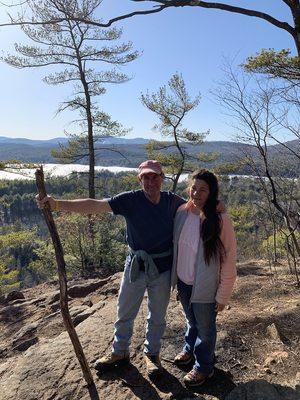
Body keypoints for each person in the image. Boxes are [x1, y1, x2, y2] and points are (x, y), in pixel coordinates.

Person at [36, 160, 185, 378]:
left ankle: (152, 355)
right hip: (135, 266)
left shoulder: (173, 202)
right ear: (139, 179)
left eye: (155, 176)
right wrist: (57, 204)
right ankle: (119, 352)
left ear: (162, 178)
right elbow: (94, 205)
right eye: (146, 177)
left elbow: (197, 208)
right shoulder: (130, 200)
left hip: (162, 269)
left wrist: (218, 208)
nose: (150, 181)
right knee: (124, 312)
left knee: (158, 316)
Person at [171, 169, 237, 387]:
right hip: (184, 283)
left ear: (212, 193)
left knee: (206, 329)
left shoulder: (220, 219)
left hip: (206, 287)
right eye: (194, 188)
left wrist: (223, 295)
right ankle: (189, 350)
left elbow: (228, 259)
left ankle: (204, 367)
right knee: (192, 321)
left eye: (203, 190)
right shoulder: (182, 212)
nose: (197, 193)